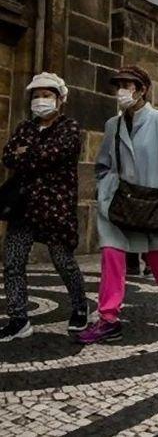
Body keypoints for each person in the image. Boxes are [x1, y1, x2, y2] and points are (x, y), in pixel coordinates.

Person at [78, 66, 158, 344]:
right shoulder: (112, 125)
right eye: (119, 86)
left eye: (128, 85)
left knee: (157, 257)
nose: (122, 91)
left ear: (142, 90)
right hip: (118, 202)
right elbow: (103, 164)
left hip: (150, 202)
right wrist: (106, 189)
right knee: (112, 255)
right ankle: (108, 319)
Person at [0, 73, 89, 342]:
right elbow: (7, 156)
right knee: (13, 262)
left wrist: (25, 154)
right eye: (37, 95)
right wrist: (28, 155)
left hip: (55, 207)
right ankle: (18, 318)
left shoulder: (69, 128)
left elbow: (51, 155)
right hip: (23, 206)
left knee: (63, 261)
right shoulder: (25, 128)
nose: (41, 100)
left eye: (47, 95)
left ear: (60, 99)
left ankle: (80, 306)